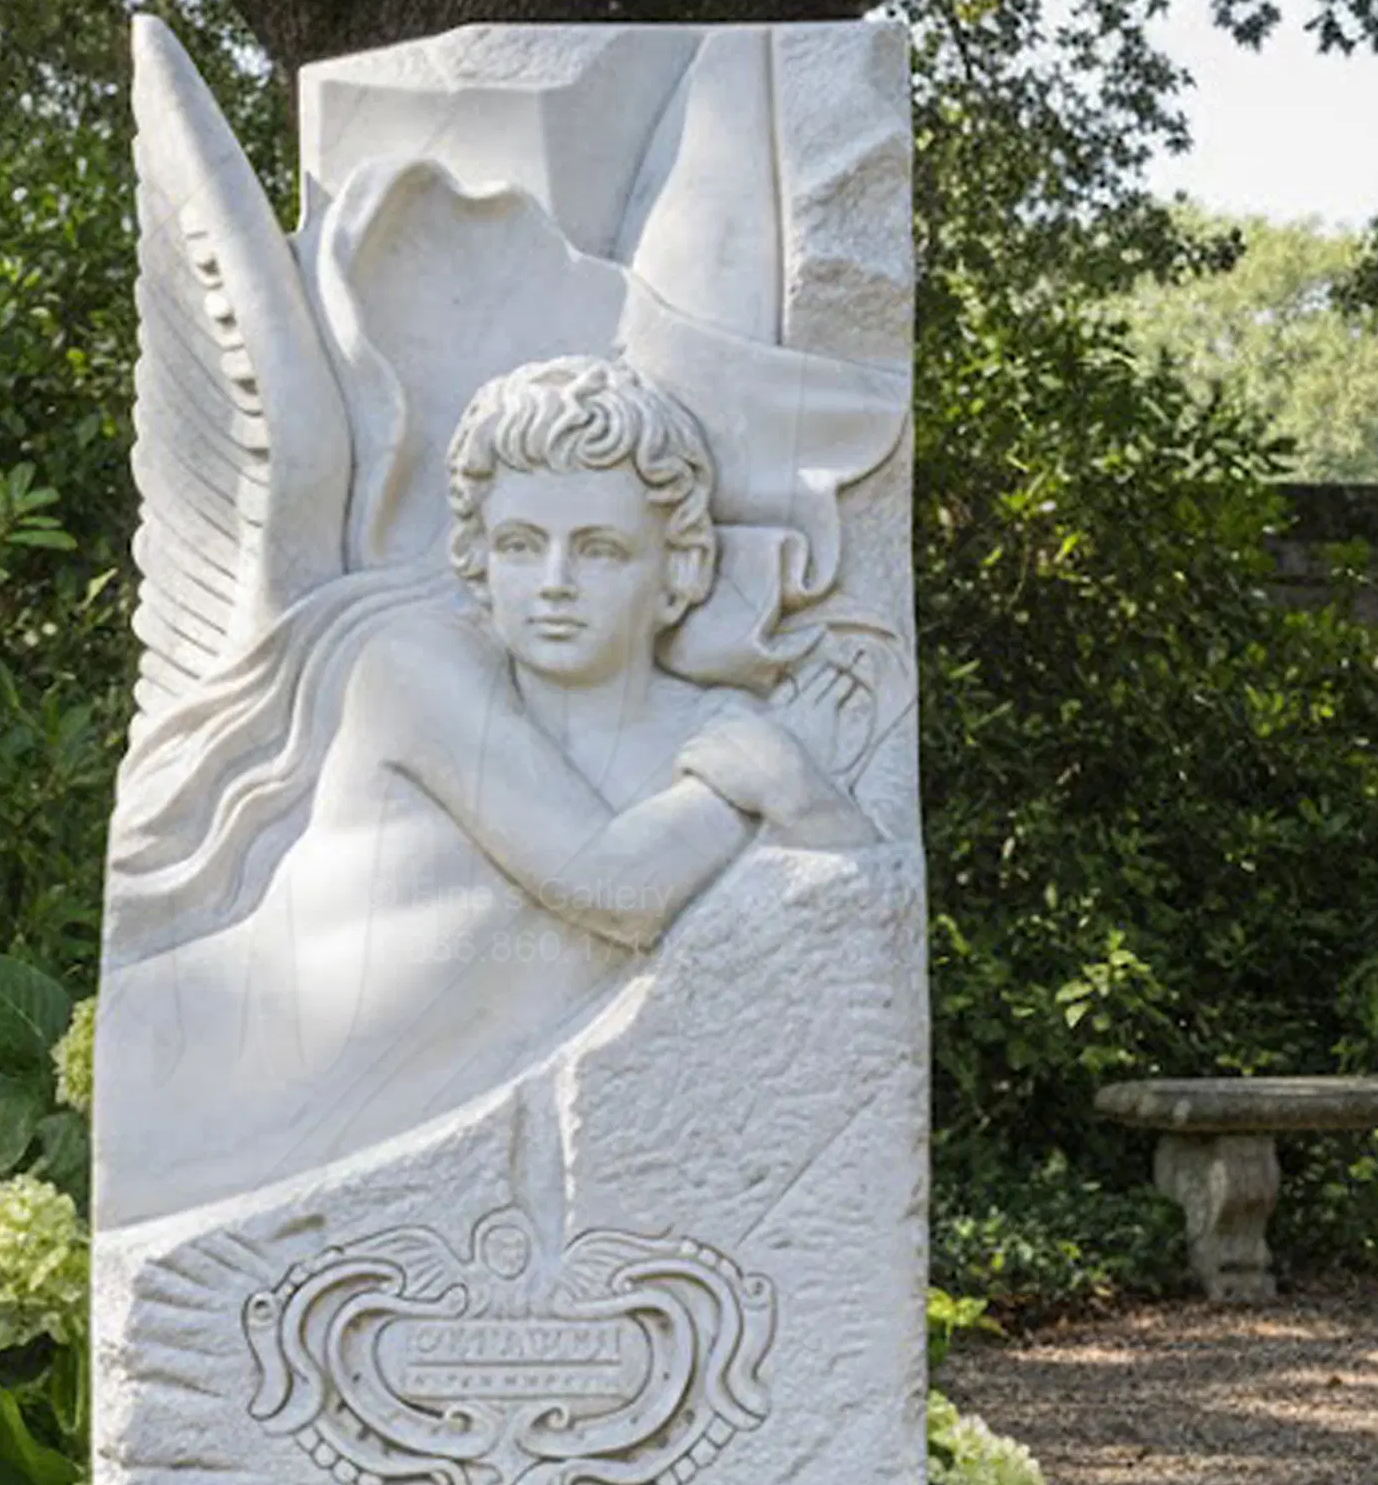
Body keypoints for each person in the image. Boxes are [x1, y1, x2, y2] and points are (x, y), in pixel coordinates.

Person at [97, 354, 864, 1227]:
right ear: (475, 557)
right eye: (520, 544)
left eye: (601, 549)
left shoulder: (717, 730)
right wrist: (760, 786)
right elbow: (610, 886)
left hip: (402, 1155)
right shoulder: (416, 673)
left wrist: (810, 800)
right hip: (204, 1082)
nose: (554, 583)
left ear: (680, 567)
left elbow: (842, 948)